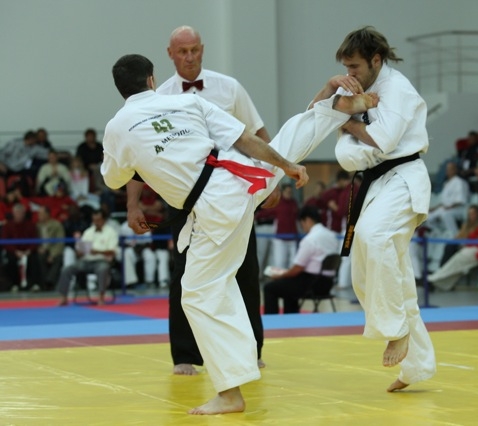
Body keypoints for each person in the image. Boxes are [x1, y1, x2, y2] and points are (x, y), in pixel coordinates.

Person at [102, 53, 375, 414]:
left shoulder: (118, 127)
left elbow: (114, 179)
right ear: (152, 80)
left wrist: (144, 155)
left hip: (217, 207)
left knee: (197, 294)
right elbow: (245, 138)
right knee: (286, 141)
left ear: (120, 89)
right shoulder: (187, 101)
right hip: (242, 175)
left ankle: (231, 391)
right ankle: (332, 107)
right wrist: (286, 166)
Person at [126, 25, 274, 375]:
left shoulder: (229, 87)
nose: (189, 57)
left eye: (194, 50)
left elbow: (256, 132)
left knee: (245, 269)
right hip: (184, 195)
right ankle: (185, 354)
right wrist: (133, 204)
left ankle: (251, 349)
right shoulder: (158, 97)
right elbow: (139, 155)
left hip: (233, 189)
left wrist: (273, 175)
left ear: (203, 50)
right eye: (182, 51)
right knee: (184, 272)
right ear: (170, 54)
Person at [309, 26, 436, 393]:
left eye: (355, 66)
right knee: (369, 275)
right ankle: (416, 367)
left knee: (374, 236)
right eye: (345, 67)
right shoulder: (352, 87)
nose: (350, 73)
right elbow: (313, 114)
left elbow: (382, 139)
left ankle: (396, 331)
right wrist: (331, 88)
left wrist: (345, 119)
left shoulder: (397, 90)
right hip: (375, 184)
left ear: (376, 60)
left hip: (403, 178)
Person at [263, 206, 339, 314]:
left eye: (302, 223)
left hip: (311, 284)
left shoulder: (310, 239)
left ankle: (272, 321)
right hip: (328, 283)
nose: (302, 227)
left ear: (307, 220)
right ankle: (291, 317)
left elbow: (297, 268)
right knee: (288, 287)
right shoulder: (332, 236)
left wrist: (280, 276)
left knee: (269, 288)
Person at [427, 203, 478, 291]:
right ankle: (436, 280)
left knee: (457, 262)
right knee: (455, 262)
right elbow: (472, 236)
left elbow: (476, 236)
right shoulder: (471, 223)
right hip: (474, 247)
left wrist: (477, 238)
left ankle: (433, 279)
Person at [57, 209, 118, 306]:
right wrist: (79, 252)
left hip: (102, 260)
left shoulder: (111, 232)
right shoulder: (88, 231)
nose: (96, 222)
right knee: (66, 269)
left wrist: (97, 251)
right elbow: (81, 247)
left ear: (103, 220)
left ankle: (101, 297)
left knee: (103, 269)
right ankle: (63, 297)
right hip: (86, 260)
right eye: (94, 220)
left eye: (98, 220)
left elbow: (113, 251)